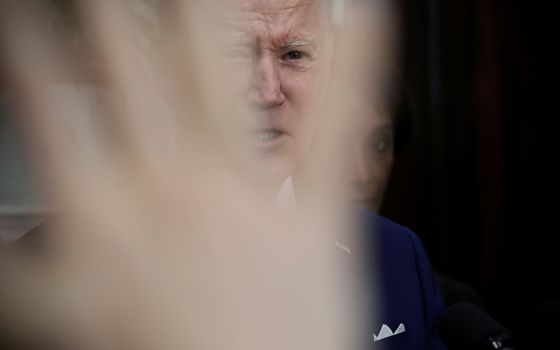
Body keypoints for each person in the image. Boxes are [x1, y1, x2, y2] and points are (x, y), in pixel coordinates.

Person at [0, 0, 446, 349]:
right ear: (167, 68)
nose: (268, 90)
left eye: (294, 54)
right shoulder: (51, 266)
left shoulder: (394, 257)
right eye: (233, 51)